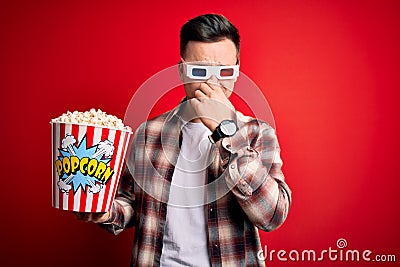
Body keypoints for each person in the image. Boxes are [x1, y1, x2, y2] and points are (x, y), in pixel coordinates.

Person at [76, 13, 292, 267]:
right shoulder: (148, 133)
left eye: (223, 71)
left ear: (236, 72)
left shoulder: (257, 134)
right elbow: (130, 204)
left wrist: (229, 136)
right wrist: (104, 211)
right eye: (199, 71)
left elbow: (272, 216)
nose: (212, 82)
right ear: (181, 70)